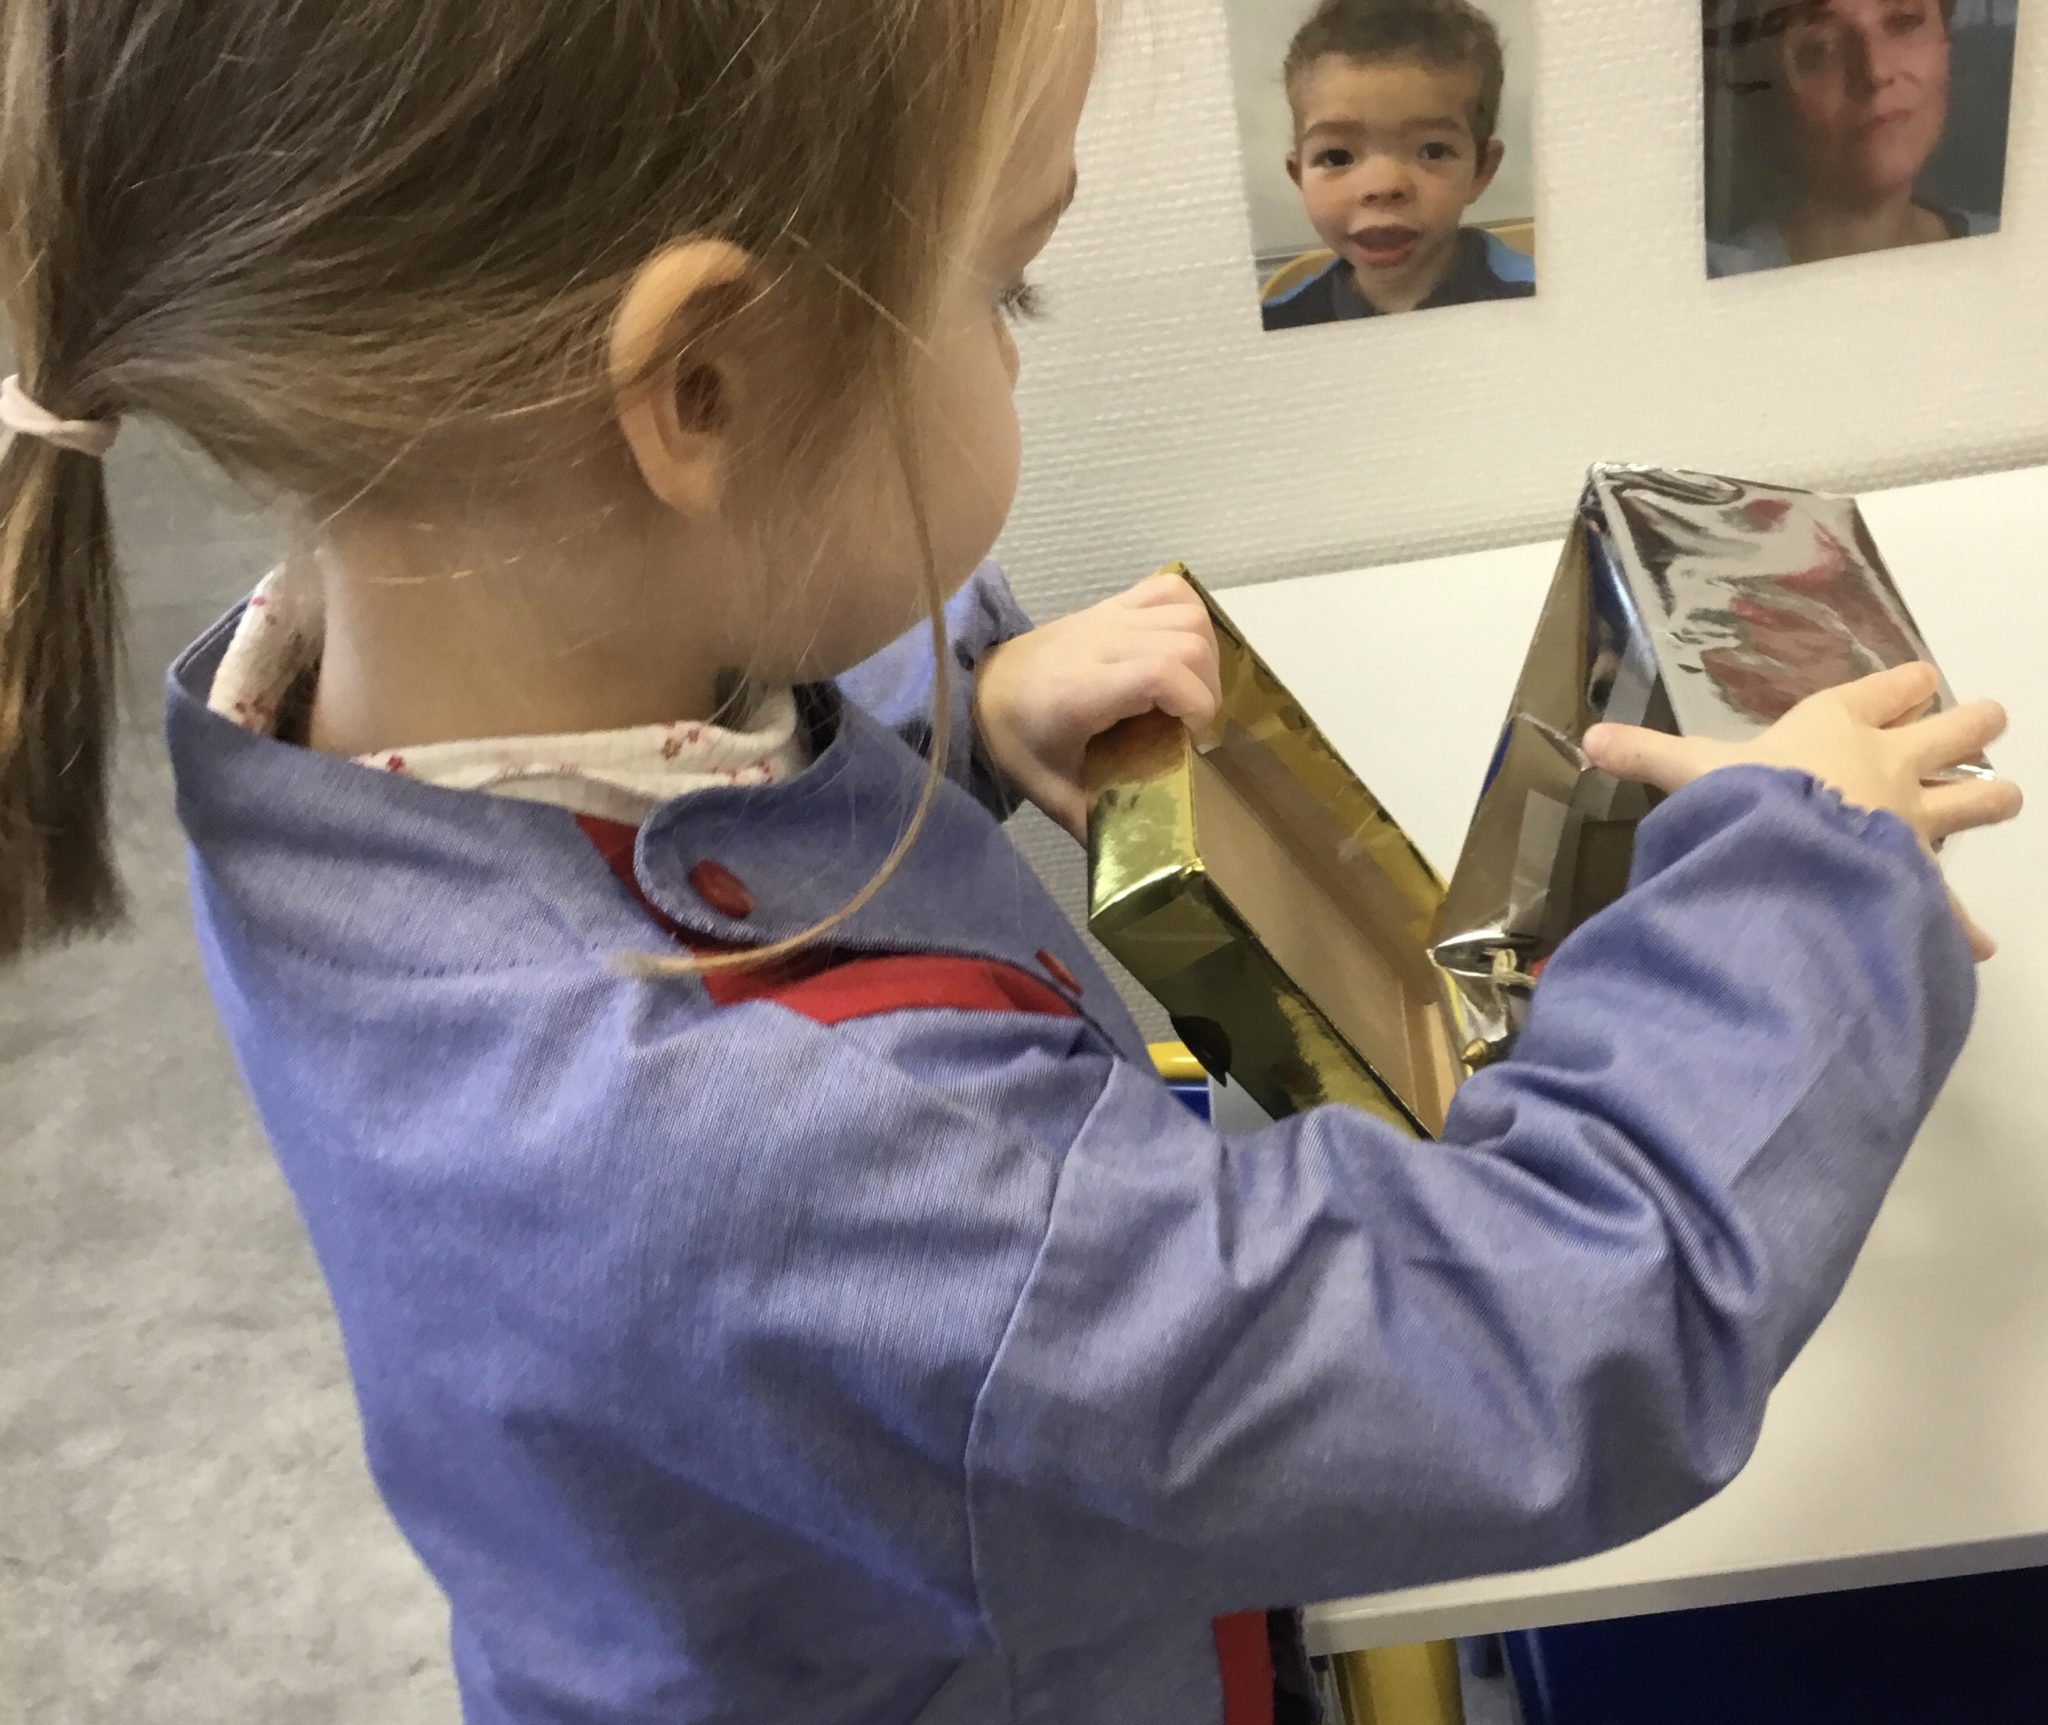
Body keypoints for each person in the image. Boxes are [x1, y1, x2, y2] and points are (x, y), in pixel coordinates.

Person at [0, 3, 2021, 1723]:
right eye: (1004, 288)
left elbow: (667, 803)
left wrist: (953, 712)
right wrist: (1809, 874)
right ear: (696, 388)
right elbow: (1551, 1334)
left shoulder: (321, 725)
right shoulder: (817, 1173)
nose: (1018, 350)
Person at [1263, 0, 1535, 331]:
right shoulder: (1278, 326)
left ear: (1482, 171)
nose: (1382, 185)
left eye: (1433, 150)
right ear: (1299, 177)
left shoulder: (1541, 300)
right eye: (1336, 157)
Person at [1708, 0, 1994, 278]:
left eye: (1903, 21)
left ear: (1946, 43)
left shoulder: (2009, 248)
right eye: (1822, 46)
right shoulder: (1721, 282)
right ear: (1768, 87)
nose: (1875, 71)